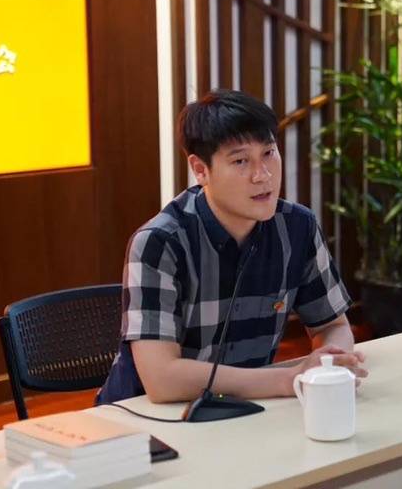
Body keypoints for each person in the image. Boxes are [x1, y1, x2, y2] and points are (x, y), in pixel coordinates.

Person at [97, 89, 367, 405]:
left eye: (269, 153)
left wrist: (331, 367)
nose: (262, 175)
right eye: (240, 161)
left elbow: (333, 325)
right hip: (146, 417)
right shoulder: (159, 242)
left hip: (245, 407)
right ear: (200, 170)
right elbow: (162, 380)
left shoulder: (297, 227)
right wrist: (287, 379)